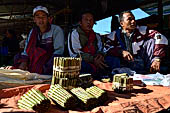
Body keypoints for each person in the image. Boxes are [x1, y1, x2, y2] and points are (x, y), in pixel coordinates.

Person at [104, 10, 168, 73]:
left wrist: (157, 58)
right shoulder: (114, 35)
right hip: (123, 64)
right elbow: (106, 49)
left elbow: (159, 36)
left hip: (141, 62)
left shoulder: (142, 30)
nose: (133, 21)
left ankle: (150, 70)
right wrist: (121, 52)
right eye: (129, 19)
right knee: (110, 58)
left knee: (150, 41)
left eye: (134, 19)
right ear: (122, 23)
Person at [68, 10, 120, 79]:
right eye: (86, 20)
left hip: (96, 59)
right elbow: (75, 53)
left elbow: (101, 49)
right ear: (80, 22)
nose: (89, 22)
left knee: (114, 61)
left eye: (91, 20)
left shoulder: (96, 36)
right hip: (84, 60)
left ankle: (112, 78)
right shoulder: (74, 34)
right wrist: (93, 60)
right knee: (82, 66)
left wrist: (100, 56)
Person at [14, 6, 64, 75]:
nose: (41, 19)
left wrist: (46, 67)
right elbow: (27, 49)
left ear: (48, 19)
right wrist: (24, 62)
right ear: (34, 19)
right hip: (35, 60)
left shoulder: (56, 30)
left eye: (43, 16)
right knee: (17, 57)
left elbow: (59, 51)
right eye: (38, 17)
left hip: (49, 60)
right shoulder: (33, 31)